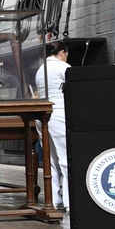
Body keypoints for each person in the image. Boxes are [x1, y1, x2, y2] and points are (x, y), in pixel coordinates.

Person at [35, 40, 71, 211]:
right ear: (62, 52)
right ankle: (71, 202)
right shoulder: (63, 67)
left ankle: (55, 200)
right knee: (65, 159)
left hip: (43, 117)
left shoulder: (40, 70)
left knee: (51, 160)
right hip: (60, 114)